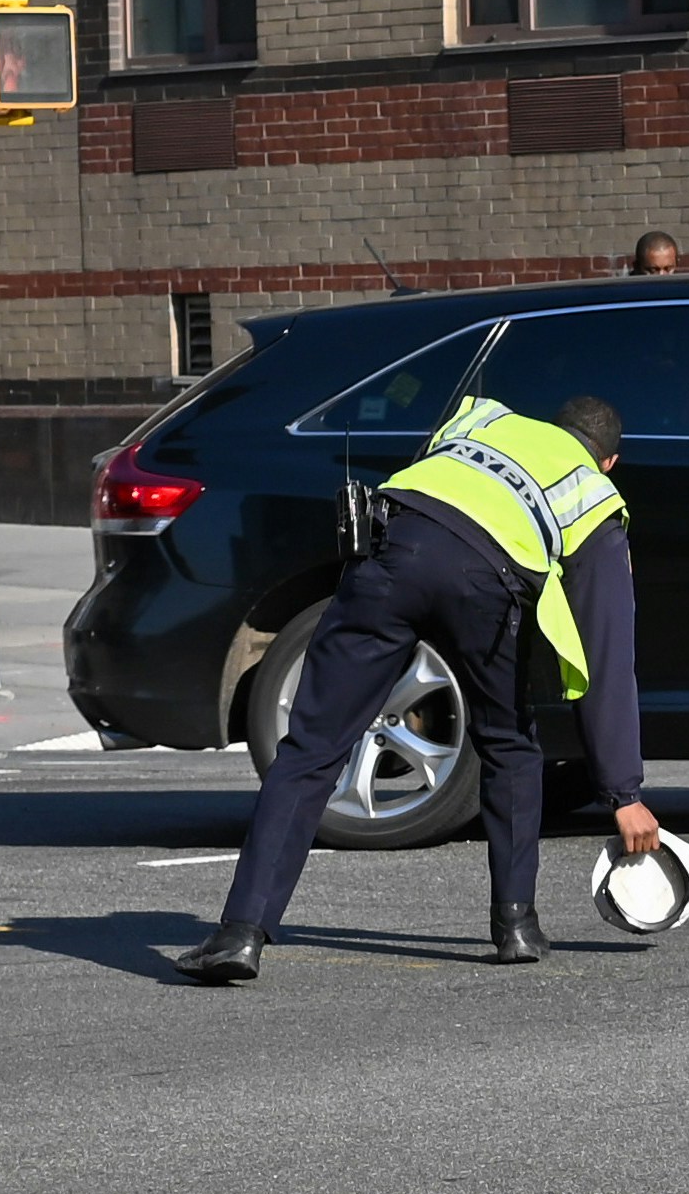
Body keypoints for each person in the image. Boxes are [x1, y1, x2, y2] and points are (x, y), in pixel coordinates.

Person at [179, 392, 662, 983]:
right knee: (510, 745)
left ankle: (241, 933)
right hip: (488, 584)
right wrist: (623, 793)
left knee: (311, 749)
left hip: (391, 558)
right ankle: (516, 926)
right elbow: (608, 652)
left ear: (550, 426)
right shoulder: (594, 496)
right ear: (608, 461)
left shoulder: (485, 420)